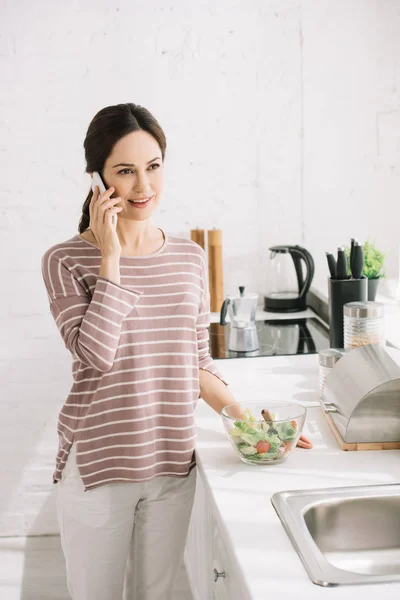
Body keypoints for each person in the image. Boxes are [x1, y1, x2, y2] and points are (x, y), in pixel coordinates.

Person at [41, 102, 312, 600]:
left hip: (171, 466)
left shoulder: (189, 257)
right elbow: (96, 356)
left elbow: (196, 364)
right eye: (125, 171)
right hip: (100, 471)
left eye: (153, 167)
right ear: (98, 178)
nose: (144, 187)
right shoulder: (65, 260)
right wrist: (111, 257)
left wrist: (253, 424)